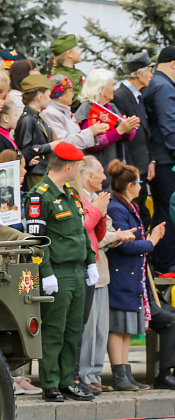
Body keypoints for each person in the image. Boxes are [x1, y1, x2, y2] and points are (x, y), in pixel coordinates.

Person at [24, 143, 97, 402]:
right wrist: (45, 272)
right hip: (57, 272)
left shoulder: (71, 194)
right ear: (68, 167)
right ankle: (51, 382)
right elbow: (35, 240)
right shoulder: (39, 195)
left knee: (73, 330)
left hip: (76, 271)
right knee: (54, 329)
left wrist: (91, 261)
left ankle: (68, 381)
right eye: (76, 166)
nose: (77, 170)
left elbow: (80, 232)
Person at [106, 159, 163, 391]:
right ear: (130, 185)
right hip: (120, 272)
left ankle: (126, 372)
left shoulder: (129, 207)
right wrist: (150, 242)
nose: (141, 186)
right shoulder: (116, 208)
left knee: (127, 325)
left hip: (131, 275)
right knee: (118, 325)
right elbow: (123, 243)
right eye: (138, 182)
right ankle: (119, 373)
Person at [74, 156, 126, 395]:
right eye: (100, 173)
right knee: (88, 326)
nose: (105, 178)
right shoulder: (79, 199)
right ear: (87, 176)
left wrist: (112, 236)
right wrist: (115, 237)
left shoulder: (97, 200)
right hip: (88, 268)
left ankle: (93, 374)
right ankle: (83, 375)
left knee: (100, 329)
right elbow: (90, 235)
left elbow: (107, 231)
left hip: (102, 271)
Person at [144, 46, 175, 272]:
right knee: (168, 213)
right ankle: (165, 264)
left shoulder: (157, 83)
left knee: (164, 211)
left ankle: (162, 262)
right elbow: (169, 127)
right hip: (167, 161)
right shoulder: (164, 87)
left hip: (161, 159)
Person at [73, 68, 140, 173]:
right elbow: (93, 144)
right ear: (101, 88)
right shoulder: (87, 109)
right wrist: (120, 130)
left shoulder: (111, 107)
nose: (114, 89)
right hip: (95, 170)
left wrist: (129, 129)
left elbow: (127, 137)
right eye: (112, 85)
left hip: (114, 168)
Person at [112, 51, 153, 216]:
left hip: (141, 164)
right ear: (139, 73)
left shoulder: (137, 96)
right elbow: (122, 136)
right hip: (131, 167)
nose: (151, 75)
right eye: (149, 71)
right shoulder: (120, 96)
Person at [15, 74, 59, 186]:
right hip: (34, 174)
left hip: (43, 171)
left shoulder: (36, 118)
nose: (50, 99)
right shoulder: (27, 119)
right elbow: (25, 150)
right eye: (48, 96)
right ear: (40, 97)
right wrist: (50, 146)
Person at [41, 76, 106, 150]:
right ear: (60, 96)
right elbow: (63, 143)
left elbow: (75, 135)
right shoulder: (49, 113)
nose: (73, 95)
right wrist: (90, 132)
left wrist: (94, 131)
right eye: (70, 92)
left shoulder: (65, 110)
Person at [50, 34, 86, 108]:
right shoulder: (58, 76)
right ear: (69, 54)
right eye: (77, 49)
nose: (80, 52)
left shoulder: (80, 73)